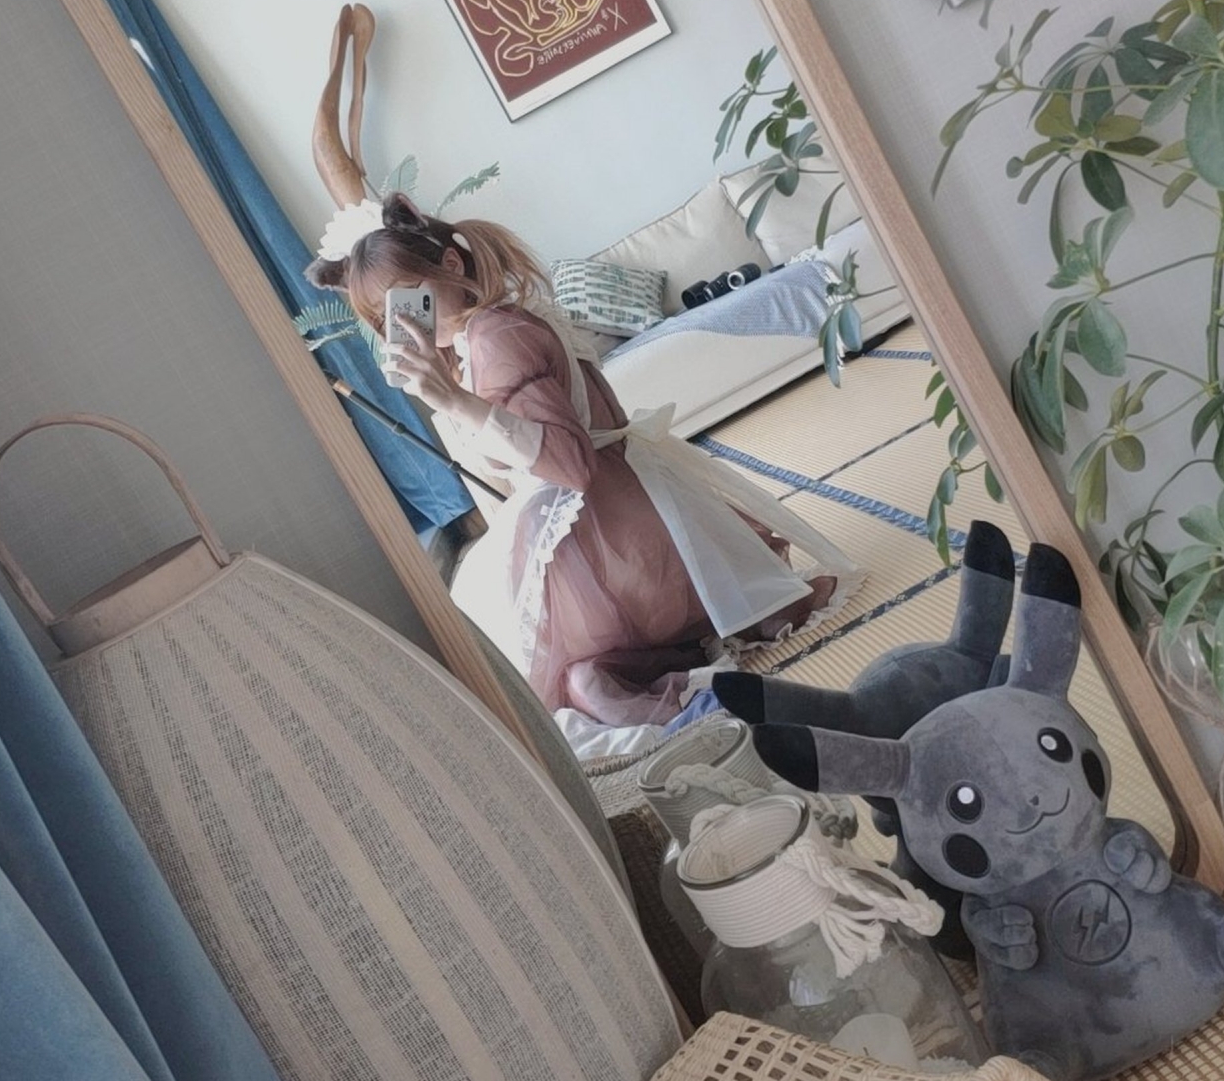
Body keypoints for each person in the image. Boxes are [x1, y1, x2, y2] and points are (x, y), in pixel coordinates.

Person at [308, 194, 861, 732]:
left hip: (603, 524)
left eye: (410, 297)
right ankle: (705, 649)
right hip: (632, 508)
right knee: (563, 673)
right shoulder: (486, 331)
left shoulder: (496, 337)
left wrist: (454, 402)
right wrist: (449, 393)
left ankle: (703, 694)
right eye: (386, 314)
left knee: (569, 687)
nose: (407, 320)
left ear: (451, 265)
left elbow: (570, 465)